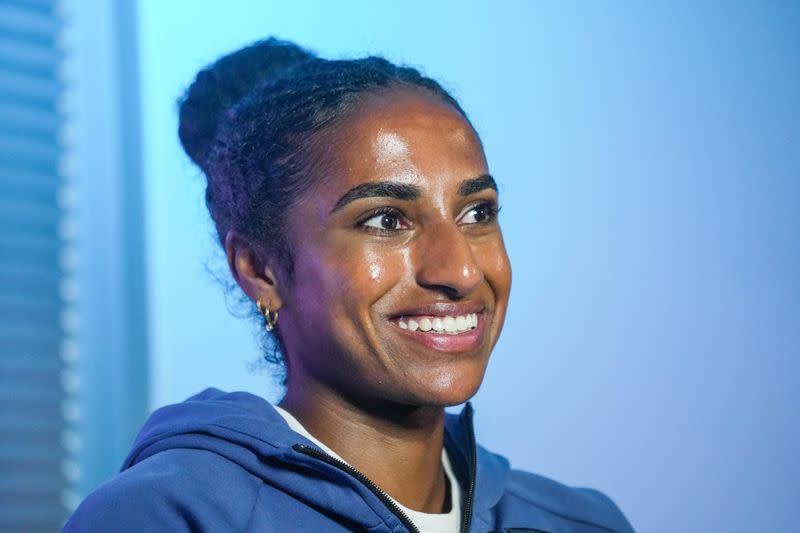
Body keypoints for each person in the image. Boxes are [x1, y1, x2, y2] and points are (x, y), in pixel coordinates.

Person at [64, 38, 634, 533]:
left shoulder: (580, 523)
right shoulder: (164, 520)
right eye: (386, 220)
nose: (460, 271)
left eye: (477, 212)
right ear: (261, 270)